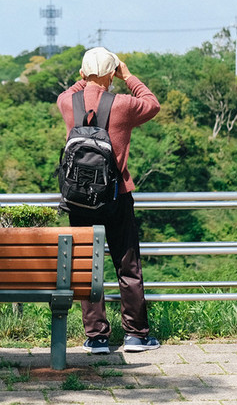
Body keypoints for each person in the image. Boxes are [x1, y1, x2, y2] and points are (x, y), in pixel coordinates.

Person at [56, 46, 161, 354]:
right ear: (110, 73)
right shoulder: (124, 105)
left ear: (83, 73)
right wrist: (127, 75)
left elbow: (74, 90)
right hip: (117, 196)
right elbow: (152, 104)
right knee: (127, 266)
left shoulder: (67, 102)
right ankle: (136, 335)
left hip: (78, 200)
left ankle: (97, 337)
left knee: (86, 265)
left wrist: (84, 79)